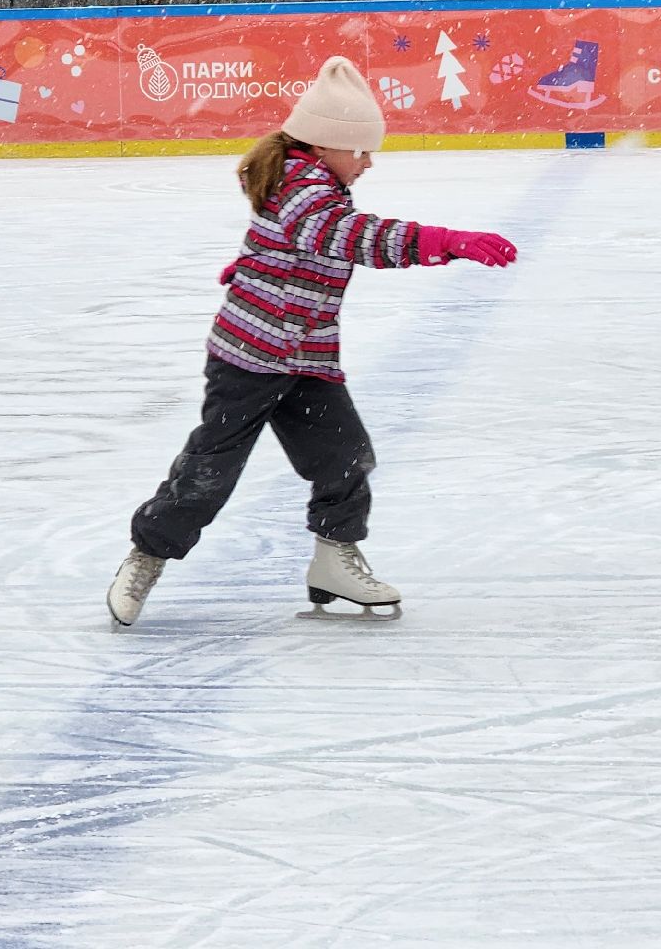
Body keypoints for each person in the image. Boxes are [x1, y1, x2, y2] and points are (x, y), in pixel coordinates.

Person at [107, 56, 519, 629]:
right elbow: (354, 238)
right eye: (362, 151)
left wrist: (264, 268)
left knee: (345, 457)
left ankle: (334, 561)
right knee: (209, 475)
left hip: (306, 357)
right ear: (327, 144)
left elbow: (308, 245)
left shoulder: (313, 181)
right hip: (249, 361)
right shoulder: (304, 190)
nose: (369, 162)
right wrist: (445, 241)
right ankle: (146, 556)